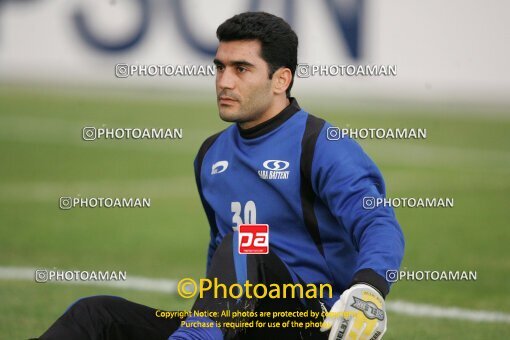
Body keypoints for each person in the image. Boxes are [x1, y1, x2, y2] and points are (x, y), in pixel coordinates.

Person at [37, 11, 404, 340]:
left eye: (241, 69)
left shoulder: (321, 144)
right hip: (241, 322)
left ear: (281, 80)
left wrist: (369, 289)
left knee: (246, 241)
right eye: (219, 67)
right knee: (96, 314)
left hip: (312, 324)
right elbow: (220, 261)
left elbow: (378, 222)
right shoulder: (211, 154)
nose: (224, 81)